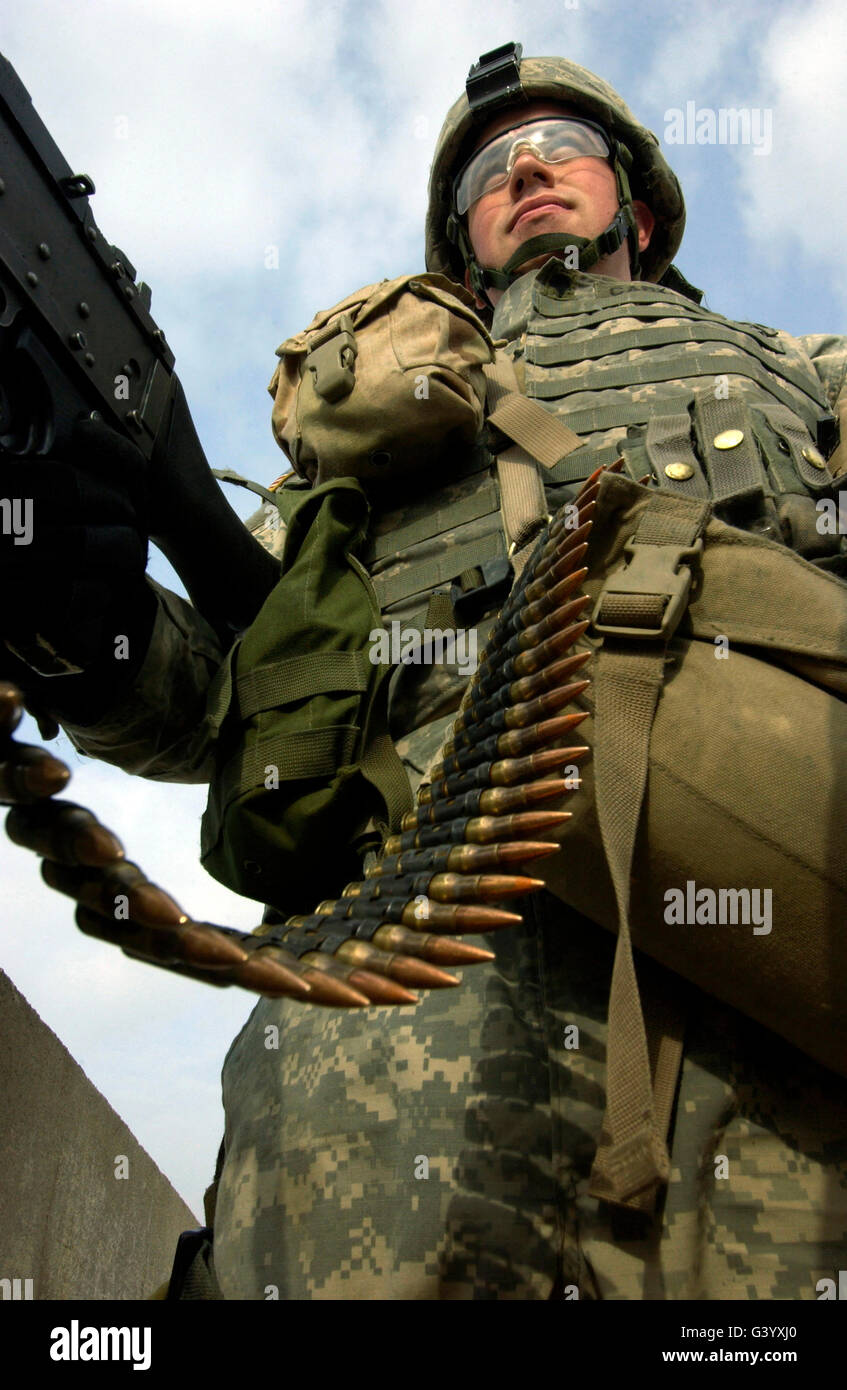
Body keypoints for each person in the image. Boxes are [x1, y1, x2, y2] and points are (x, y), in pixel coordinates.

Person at [3, 45, 847, 1301]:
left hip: (768, 947)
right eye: (489, 172)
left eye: (562, 150)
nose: (526, 175)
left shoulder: (800, 371)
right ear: (460, 241)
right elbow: (226, 697)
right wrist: (87, 620)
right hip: (401, 989)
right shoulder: (364, 456)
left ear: (643, 206)